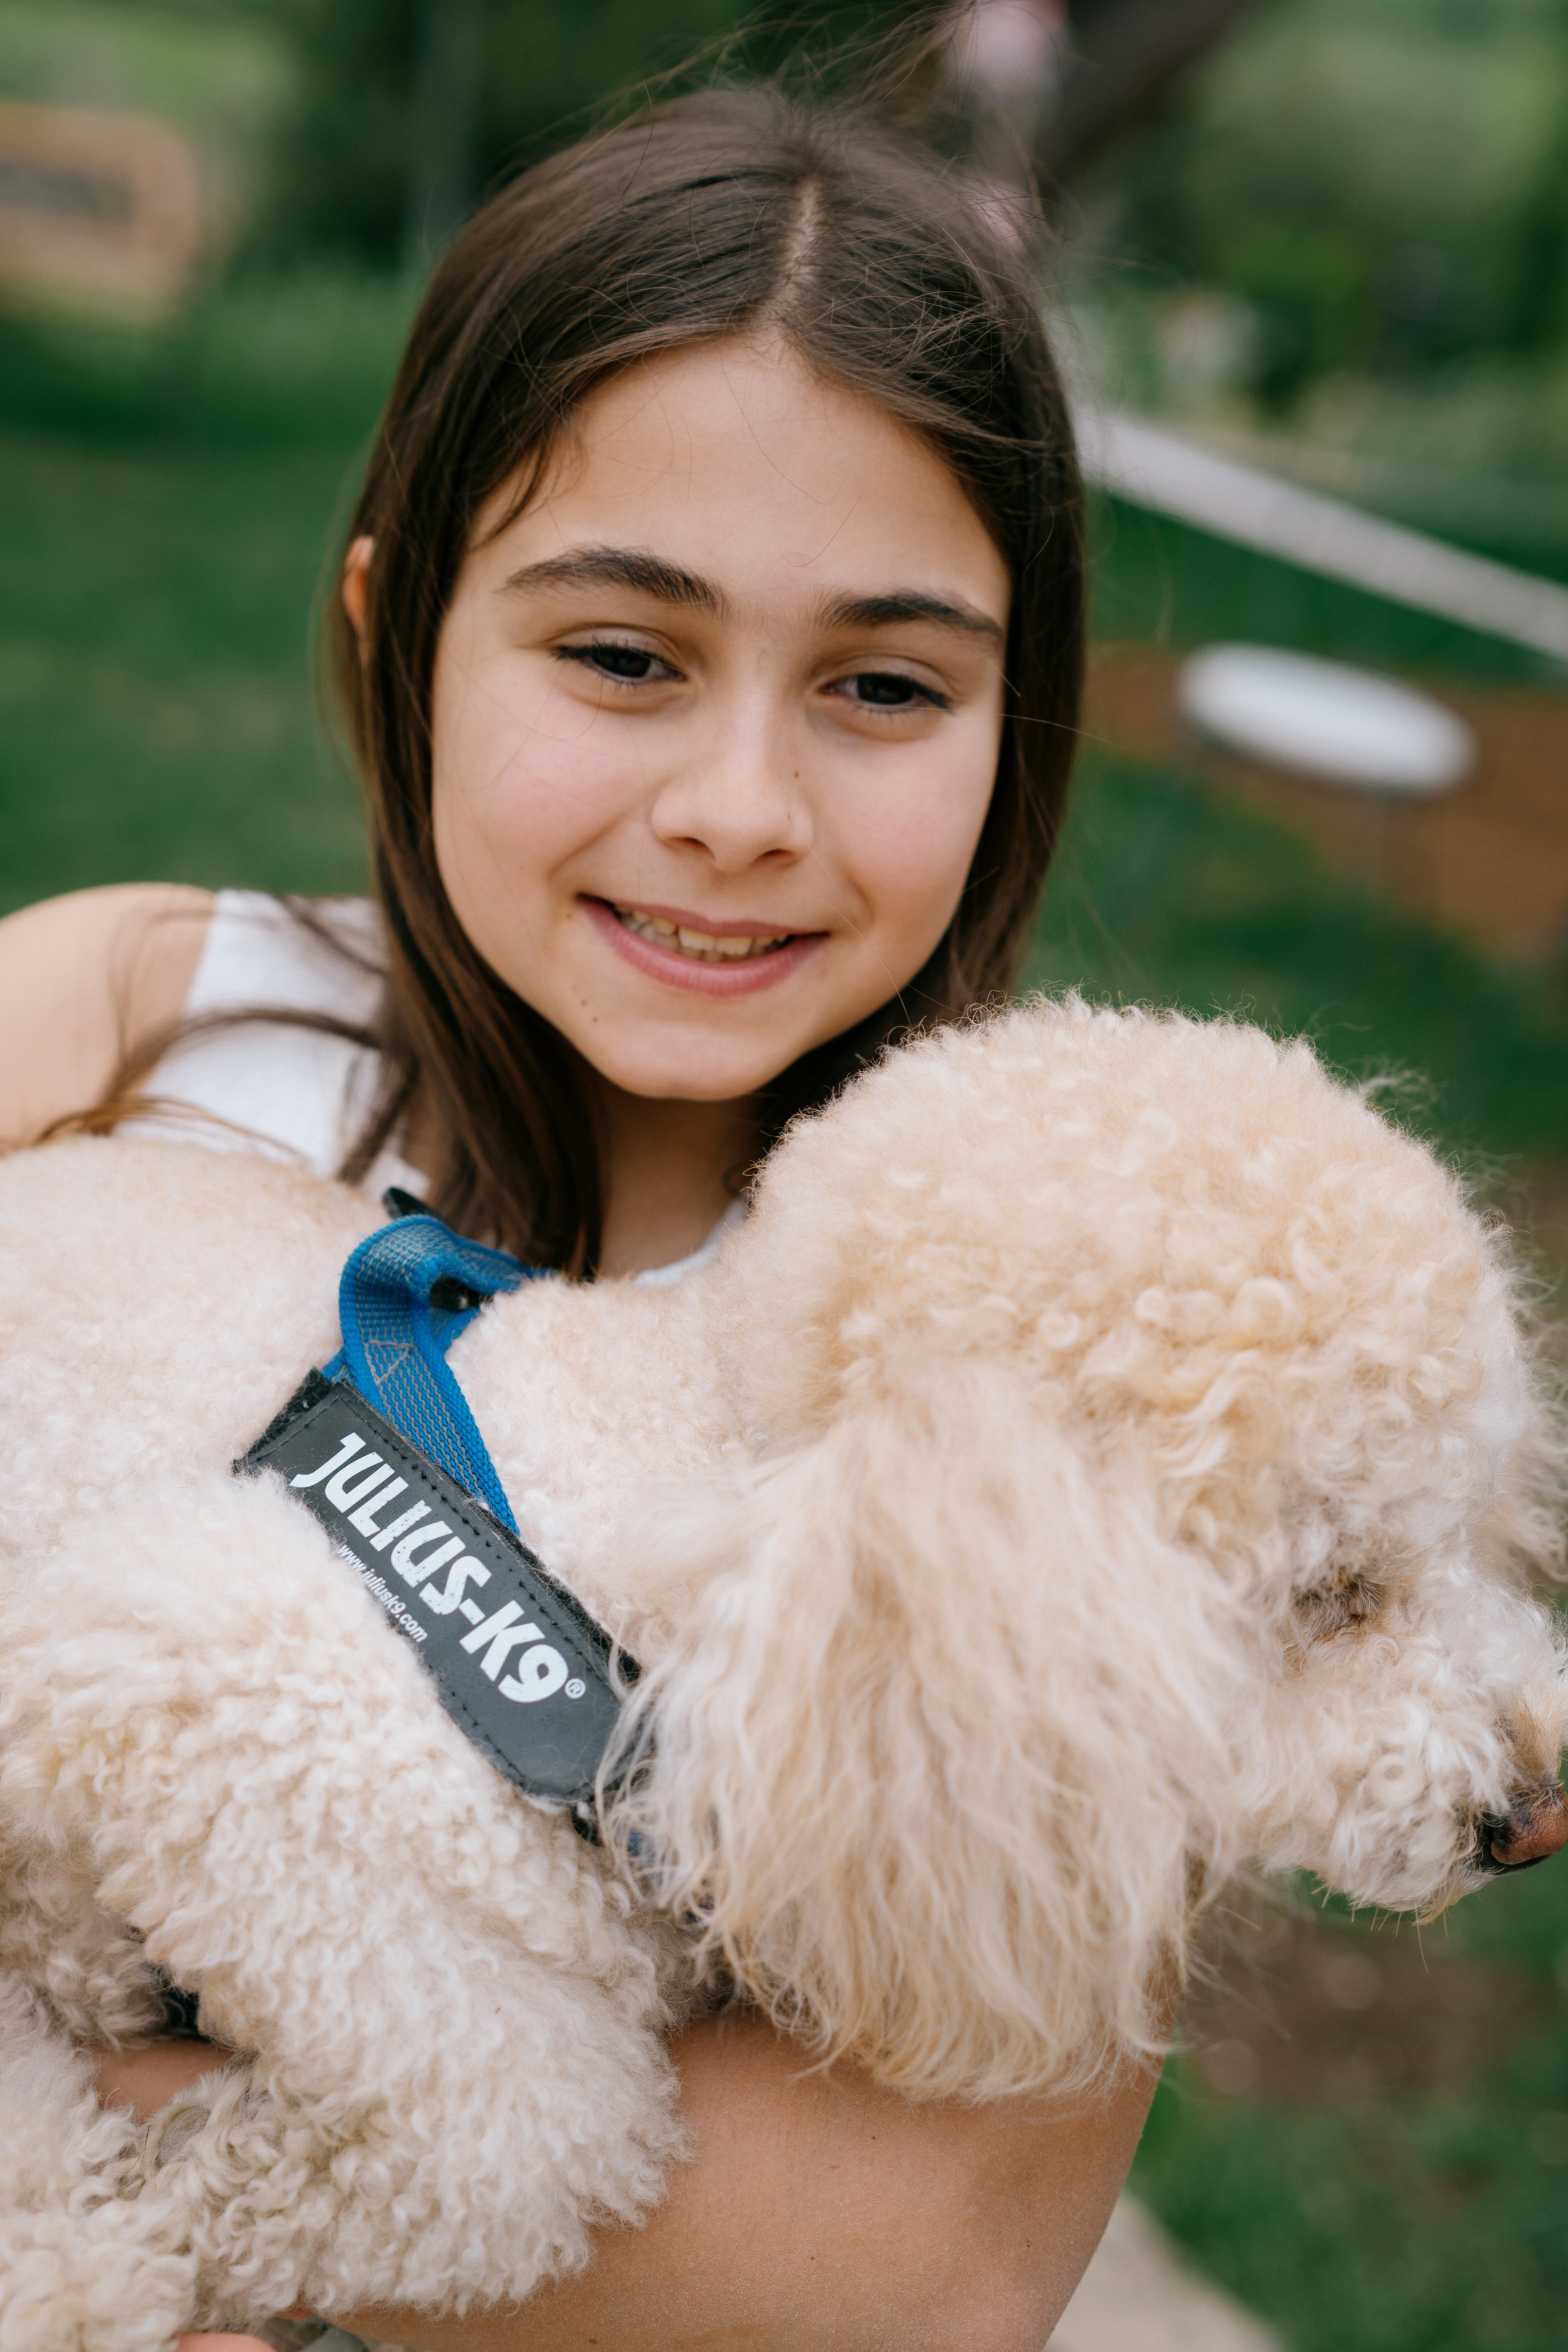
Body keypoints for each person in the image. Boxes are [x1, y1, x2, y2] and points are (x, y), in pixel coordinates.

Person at [0, 88, 1158, 2352]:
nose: (738, 809)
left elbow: (915, 2267)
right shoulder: (130, 1011)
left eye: (885, 688)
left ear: (1017, 729)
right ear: (396, 630)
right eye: (622, 654)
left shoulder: (1025, 1362)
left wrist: (95, 2130)